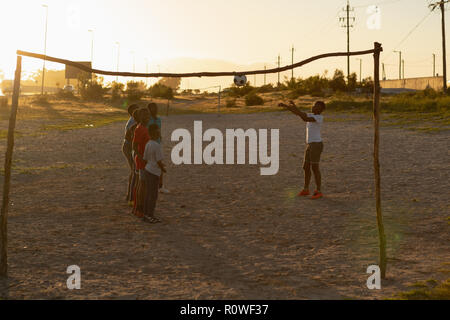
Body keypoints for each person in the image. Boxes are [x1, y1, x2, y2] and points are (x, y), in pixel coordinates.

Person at [279, 100, 326, 199]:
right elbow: (298, 113)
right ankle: (306, 189)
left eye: (316, 106)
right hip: (310, 145)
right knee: (306, 167)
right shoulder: (310, 114)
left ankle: (319, 191)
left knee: (315, 167)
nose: (313, 107)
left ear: (321, 109)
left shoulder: (319, 117)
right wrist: (288, 106)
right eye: (313, 105)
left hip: (316, 145)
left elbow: (304, 118)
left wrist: (295, 108)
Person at [142, 124, 166, 223]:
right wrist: (163, 169)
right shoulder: (157, 145)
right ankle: (150, 215)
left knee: (148, 194)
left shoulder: (148, 143)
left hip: (148, 170)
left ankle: (146, 214)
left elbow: (145, 159)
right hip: (154, 173)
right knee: (153, 196)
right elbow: (159, 161)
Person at [147, 102, 170, 194]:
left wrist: (160, 139)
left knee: (159, 165)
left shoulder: (159, 119)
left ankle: (160, 186)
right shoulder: (148, 120)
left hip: (158, 143)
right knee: (152, 165)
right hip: (150, 144)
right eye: (152, 108)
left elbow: (159, 131)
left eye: (155, 108)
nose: (154, 110)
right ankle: (151, 185)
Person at [132, 108, 151, 217]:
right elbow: (134, 146)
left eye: (148, 115)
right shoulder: (139, 129)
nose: (147, 117)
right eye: (144, 116)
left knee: (142, 184)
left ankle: (138, 207)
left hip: (146, 159)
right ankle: (139, 208)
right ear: (140, 117)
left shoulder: (144, 128)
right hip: (142, 160)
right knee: (142, 185)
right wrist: (142, 157)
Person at [123, 104, 139, 202]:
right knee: (134, 171)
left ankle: (131, 195)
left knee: (134, 172)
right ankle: (130, 196)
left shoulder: (134, 121)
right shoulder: (132, 123)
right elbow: (129, 137)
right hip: (129, 147)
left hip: (129, 146)